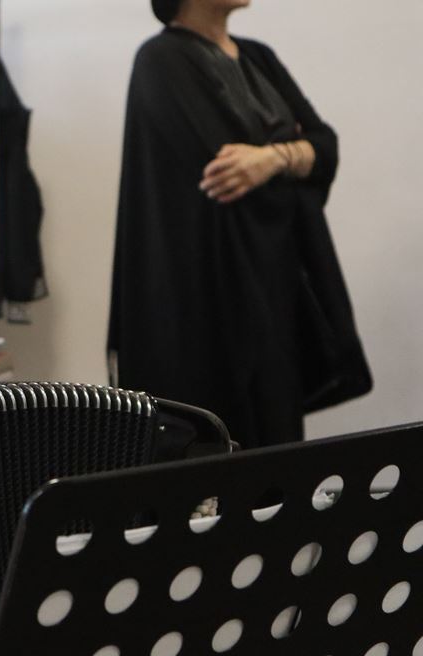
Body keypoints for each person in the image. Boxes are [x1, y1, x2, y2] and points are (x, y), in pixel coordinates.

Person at [107, 0, 371, 448]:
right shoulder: (161, 58)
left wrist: (273, 158)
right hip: (206, 304)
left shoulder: (258, 56)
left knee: (277, 450)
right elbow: (223, 173)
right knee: (219, 456)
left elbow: (326, 145)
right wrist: (296, 157)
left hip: (273, 292)